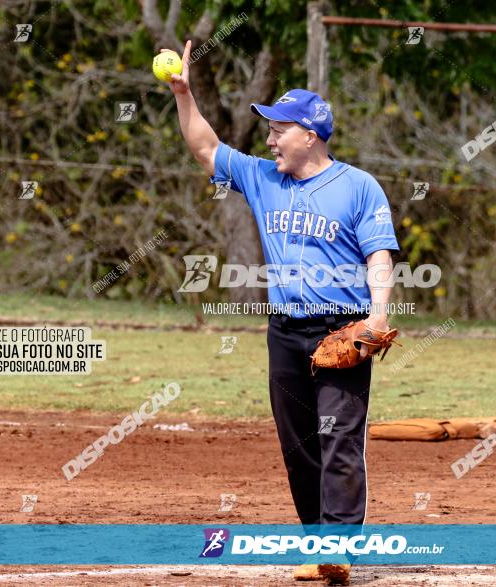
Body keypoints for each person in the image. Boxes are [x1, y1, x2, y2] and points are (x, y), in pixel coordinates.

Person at [165, 41, 400, 586]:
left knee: (339, 438)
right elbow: (206, 149)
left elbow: (379, 256)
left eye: (279, 128)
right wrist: (184, 94)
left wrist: (377, 317)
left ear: (310, 135)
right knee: (299, 446)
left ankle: (340, 548)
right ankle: (318, 545)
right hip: (284, 332)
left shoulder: (358, 187)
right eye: (268, 128)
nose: (269, 138)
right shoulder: (262, 178)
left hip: (342, 329)